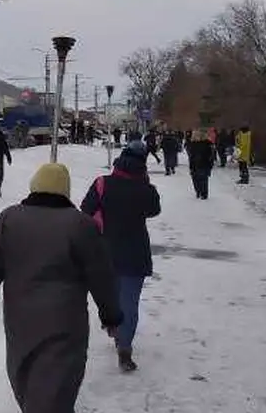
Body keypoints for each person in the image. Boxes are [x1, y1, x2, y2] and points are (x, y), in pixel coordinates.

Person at [0, 163, 122, 412]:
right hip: (65, 325)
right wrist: (111, 316)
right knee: (54, 392)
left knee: (27, 384)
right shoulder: (81, 225)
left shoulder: (9, 218)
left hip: (20, 323)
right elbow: (101, 276)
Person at [80, 140, 161, 372]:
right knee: (130, 301)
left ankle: (113, 327)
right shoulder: (144, 188)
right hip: (136, 253)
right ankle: (124, 346)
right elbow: (154, 210)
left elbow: (85, 210)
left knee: (110, 296)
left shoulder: (102, 183)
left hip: (104, 251)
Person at [186, 129, 215, 199]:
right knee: (195, 179)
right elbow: (190, 155)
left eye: (198, 135)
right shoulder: (192, 144)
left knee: (203, 179)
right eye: (195, 135)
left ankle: (204, 193)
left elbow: (211, 154)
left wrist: (210, 163)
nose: (196, 136)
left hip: (204, 164)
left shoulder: (208, 143)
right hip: (194, 164)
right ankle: (198, 191)